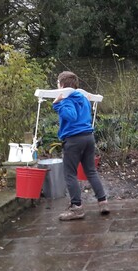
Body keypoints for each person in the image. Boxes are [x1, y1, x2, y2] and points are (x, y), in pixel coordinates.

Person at [53, 71, 109, 221]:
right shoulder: (83, 98)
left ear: (62, 85)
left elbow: (71, 116)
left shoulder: (66, 99)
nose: (57, 87)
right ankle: (103, 202)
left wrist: (57, 104)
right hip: (88, 137)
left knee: (70, 173)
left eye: (58, 84)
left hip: (74, 139)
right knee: (90, 171)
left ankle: (76, 208)